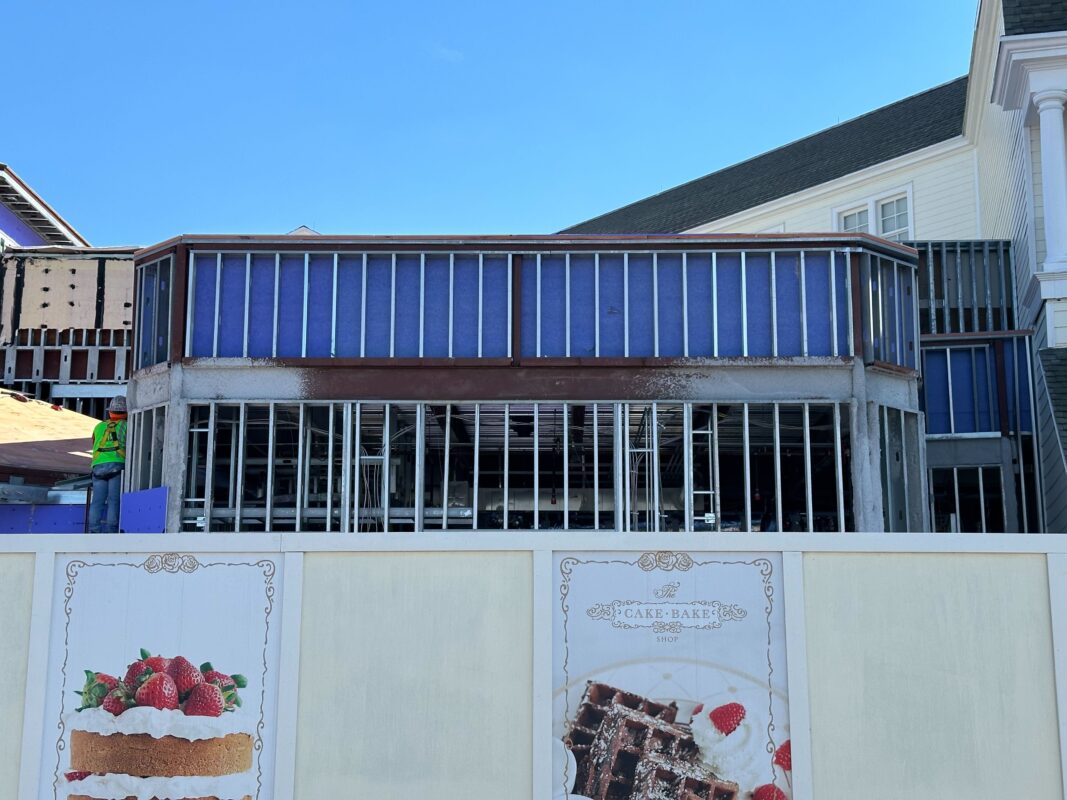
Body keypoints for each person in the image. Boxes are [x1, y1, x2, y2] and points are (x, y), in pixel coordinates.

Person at [88, 396, 128, 533]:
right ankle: (111, 532)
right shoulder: (127, 425)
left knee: (97, 502)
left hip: (98, 467)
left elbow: (94, 443)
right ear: (126, 413)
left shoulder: (98, 426)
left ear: (110, 412)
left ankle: (94, 531)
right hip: (117, 465)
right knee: (113, 500)